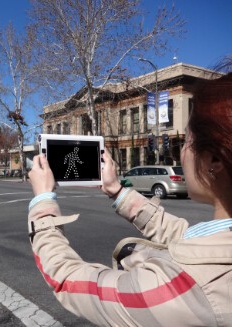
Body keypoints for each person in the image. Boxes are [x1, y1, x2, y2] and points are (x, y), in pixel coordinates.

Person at [28, 72, 232, 326]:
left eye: (188, 141)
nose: (182, 152)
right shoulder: (220, 243)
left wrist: (43, 201)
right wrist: (118, 191)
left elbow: (68, 281)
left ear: (213, 159)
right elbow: (186, 237)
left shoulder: (181, 288)